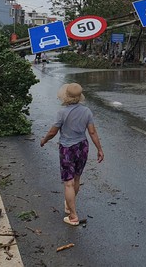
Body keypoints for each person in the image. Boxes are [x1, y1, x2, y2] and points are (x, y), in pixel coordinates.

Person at [40, 83, 104, 226]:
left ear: (66, 96)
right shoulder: (87, 111)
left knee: (68, 183)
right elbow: (92, 132)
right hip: (82, 147)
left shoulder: (62, 112)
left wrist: (44, 140)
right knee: (76, 179)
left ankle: (73, 215)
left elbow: (52, 132)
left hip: (67, 149)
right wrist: (99, 149)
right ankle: (69, 206)